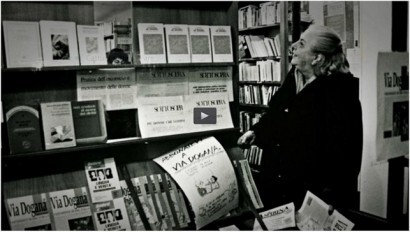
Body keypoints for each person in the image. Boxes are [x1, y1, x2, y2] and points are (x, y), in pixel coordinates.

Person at [237, 25, 363, 211]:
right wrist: (255, 132)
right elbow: (275, 115)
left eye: (301, 44)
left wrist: (331, 195)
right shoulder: (294, 78)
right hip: (277, 183)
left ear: (317, 58)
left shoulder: (339, 93)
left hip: (311, 191)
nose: (293, 46)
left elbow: (346, 153)